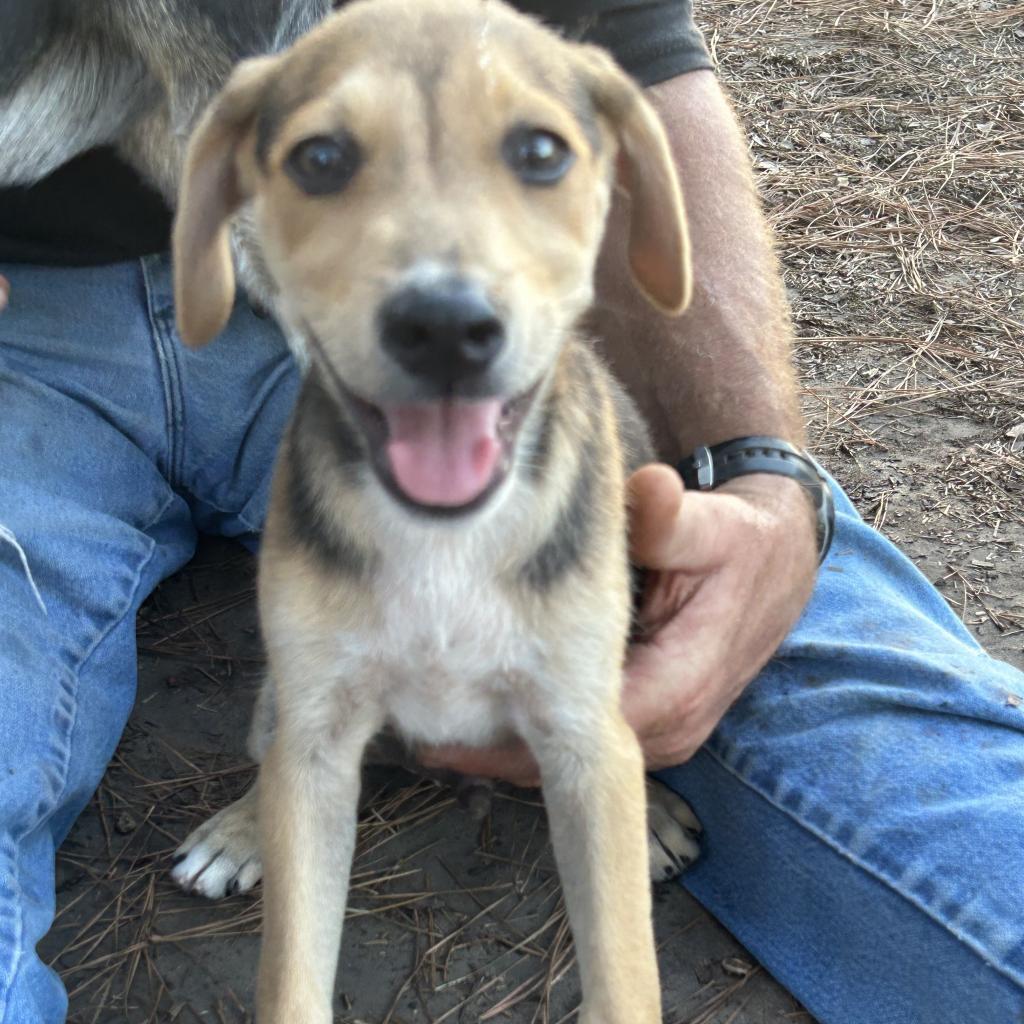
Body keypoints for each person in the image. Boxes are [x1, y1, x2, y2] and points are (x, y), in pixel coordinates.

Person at [0, 3, 1021, 1023]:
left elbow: (619, 32)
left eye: (538, 151)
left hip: (418, 343)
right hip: (34, 332)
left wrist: (754, 467)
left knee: (952, 835)